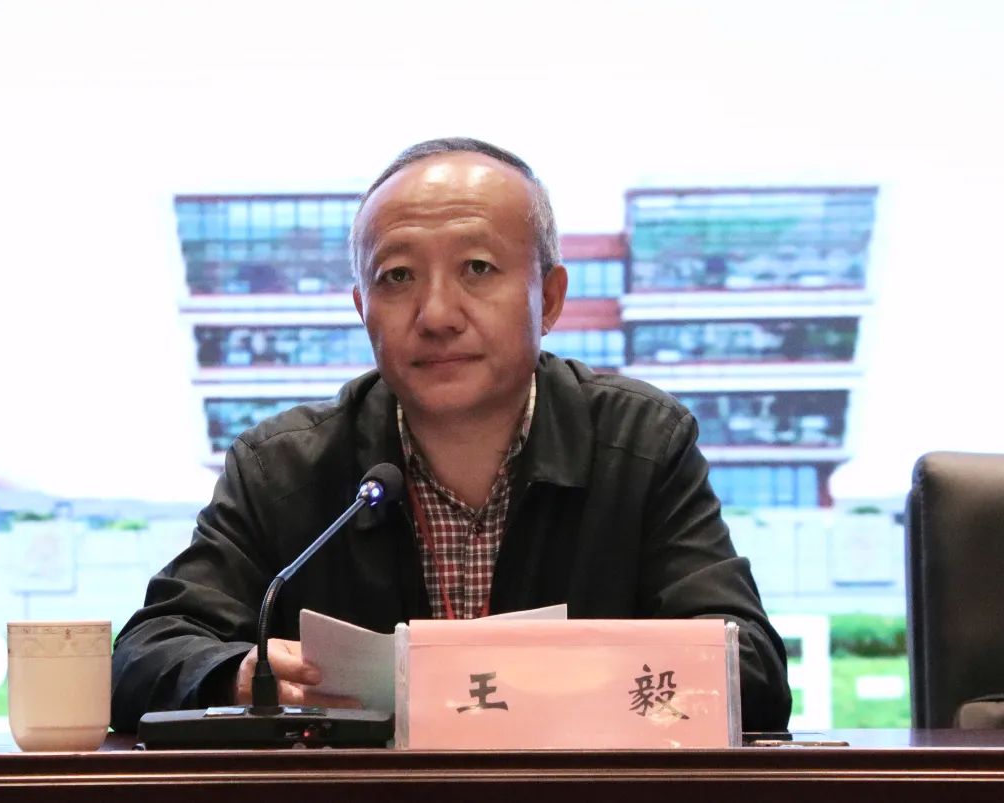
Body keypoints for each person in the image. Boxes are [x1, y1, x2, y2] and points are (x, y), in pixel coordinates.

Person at [111, 138, 791, 732]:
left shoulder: (641, 446)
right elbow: (145, 654)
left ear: (550, 299)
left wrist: (568, 678)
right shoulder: (284, 467)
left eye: (477, 269)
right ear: (362, 309)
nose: (436, 314)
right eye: (398, 277)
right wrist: (238, 675)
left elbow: (751, 672)